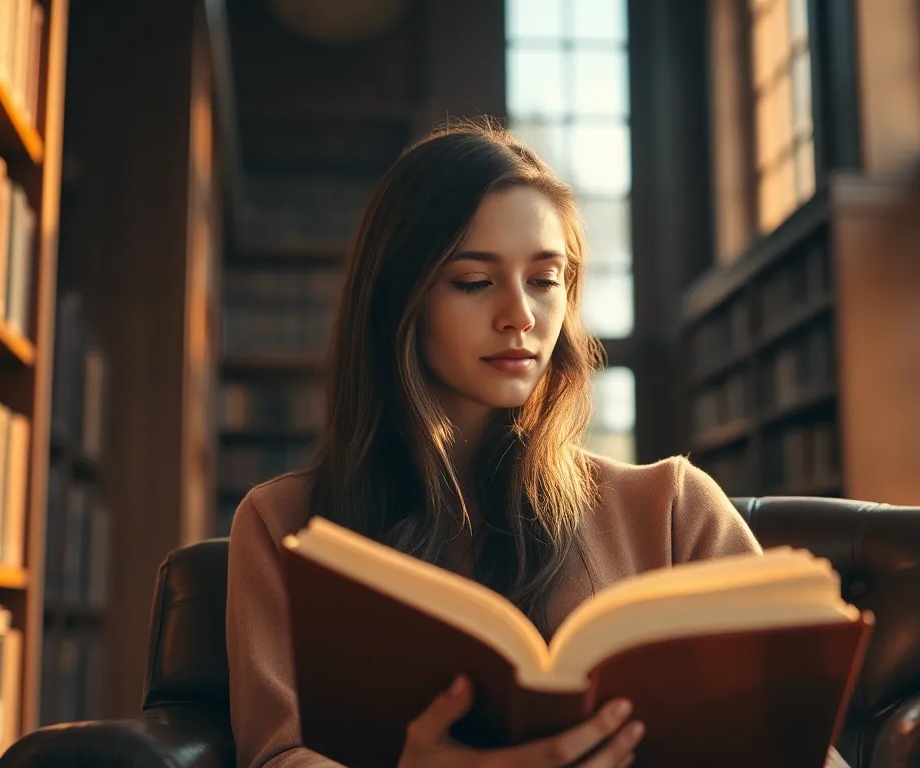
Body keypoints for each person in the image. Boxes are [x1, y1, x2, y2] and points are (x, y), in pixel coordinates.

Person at [225, 120, 847, 768]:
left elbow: (803, 751)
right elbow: (277, 756)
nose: (520, 314)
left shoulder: (673, 508)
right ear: (397, 299)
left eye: (545, 280)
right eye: (474, 281)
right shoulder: (283, 526)